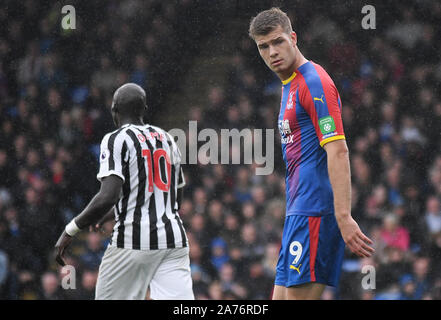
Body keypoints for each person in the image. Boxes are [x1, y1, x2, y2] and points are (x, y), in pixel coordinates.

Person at [248, 8, 374, 300]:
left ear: (293, 38)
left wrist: (343, 216)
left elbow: (338, 150)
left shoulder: (313, 82)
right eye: (263, 47)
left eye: (278, 41)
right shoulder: (289, 84)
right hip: (298, 212)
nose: (272, 52)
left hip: (316, 211)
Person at [55, 83, 194, 300]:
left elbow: (108, 196)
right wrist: (111, 214)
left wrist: (70, 229)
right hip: (173, 239)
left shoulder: (116, 139)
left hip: (134, 241)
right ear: (144, 108)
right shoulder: (166, 138)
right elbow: (176, 198)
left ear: (114, 110)